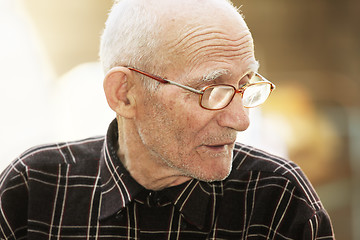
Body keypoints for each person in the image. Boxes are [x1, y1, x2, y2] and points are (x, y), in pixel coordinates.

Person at [0, 0, 335, 239]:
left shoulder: (277, 198)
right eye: (211, 90)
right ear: (124, 94)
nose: (241, 120)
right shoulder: (33, 189)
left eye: (246, 85)